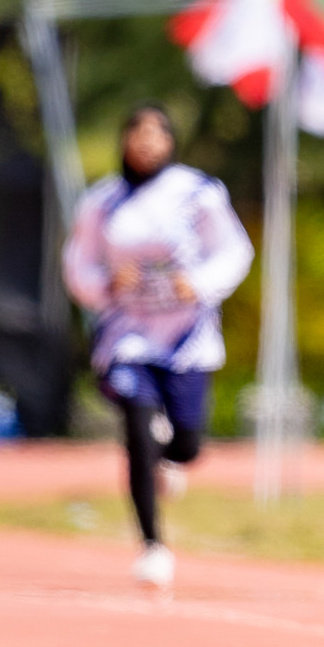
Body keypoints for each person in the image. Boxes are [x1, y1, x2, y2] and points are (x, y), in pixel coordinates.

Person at [64, 103, 254, 590]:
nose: (146, 143)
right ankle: (153, 545)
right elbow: (79, 266)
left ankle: (174, 455)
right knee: (137, 425)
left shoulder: (197, 193)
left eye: (156, 134)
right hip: (127, 334)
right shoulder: (102, 203)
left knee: (187, 441)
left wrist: (201, 282)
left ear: (170, 141)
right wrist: (105, 282)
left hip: (186, 337)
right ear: (124, 140)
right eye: (137, 133)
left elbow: (234, 251)